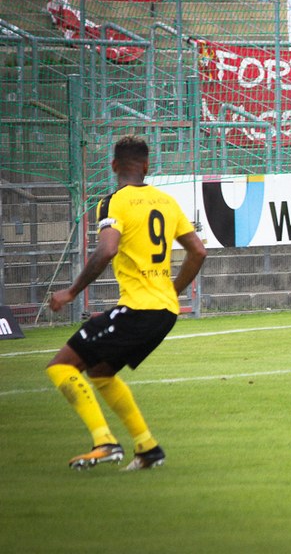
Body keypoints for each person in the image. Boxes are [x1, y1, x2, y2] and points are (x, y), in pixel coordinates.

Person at [46, 135, 207, 470]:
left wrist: (71, 292)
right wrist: (172, 291)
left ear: (113, 165)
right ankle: (147, 448)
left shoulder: (113, 202)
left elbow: (107, 249)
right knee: (101, 372)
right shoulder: (166, 201)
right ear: (147, 166)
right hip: (164, 312)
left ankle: (104, 443)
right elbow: (198, 251)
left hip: (138, 310)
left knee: (62, 366)